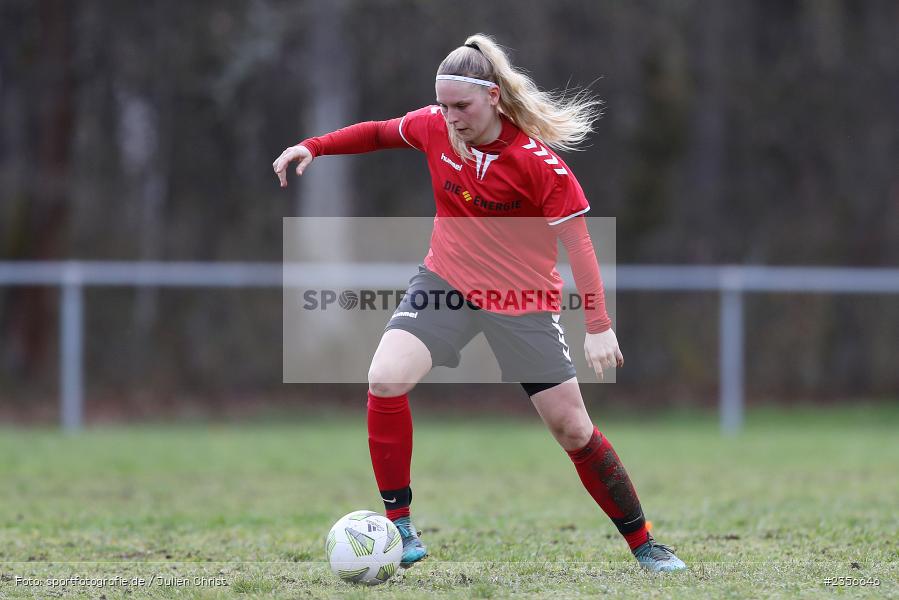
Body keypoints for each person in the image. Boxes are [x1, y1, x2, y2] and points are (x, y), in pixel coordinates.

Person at [273, 34, 686, 573]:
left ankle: (645, 544)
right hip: (447, 283)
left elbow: (579, 244)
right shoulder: (434, 127)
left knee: (573, 429)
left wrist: (599, 324)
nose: (450, 117)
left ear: (493, 96)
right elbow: (376, 133)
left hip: (522, 301)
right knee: (385, 377)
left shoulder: (539, 164)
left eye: (461, 106)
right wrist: (315, 146)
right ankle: (400, 524)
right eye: (443, 105)